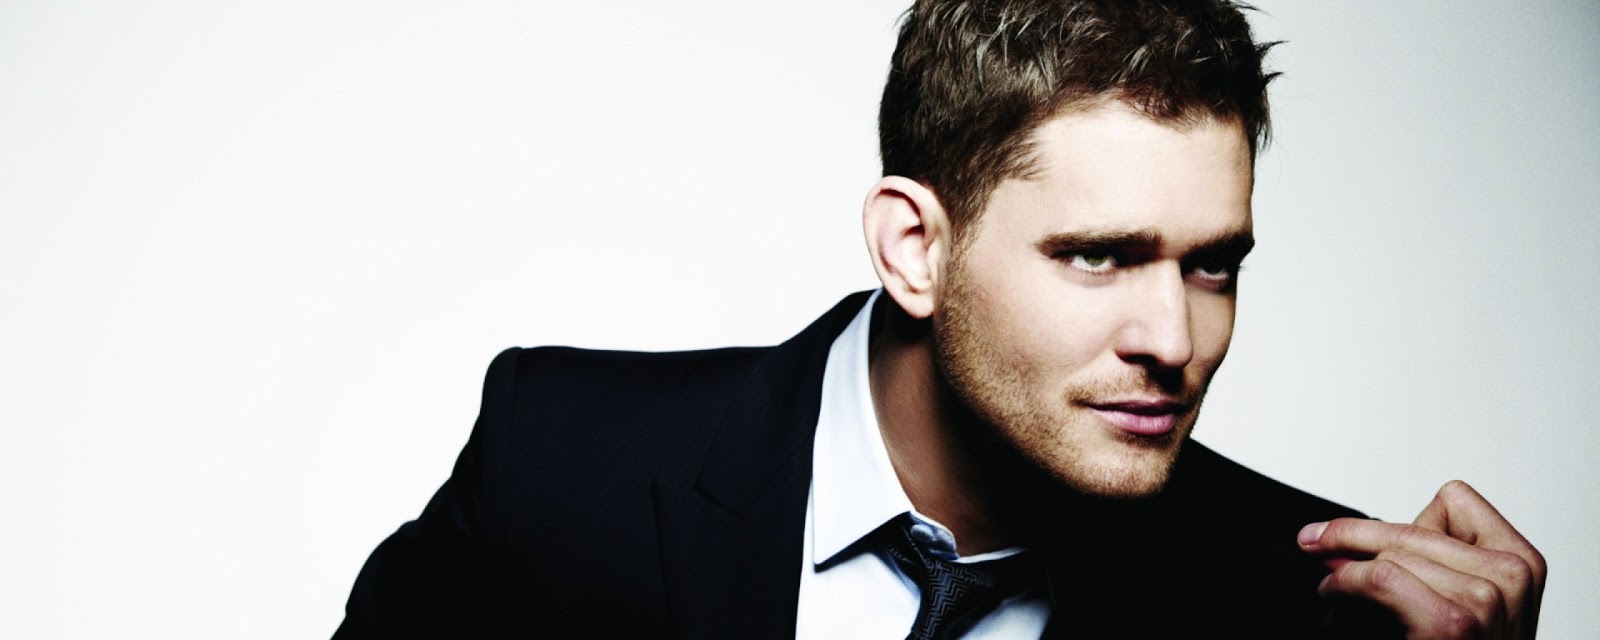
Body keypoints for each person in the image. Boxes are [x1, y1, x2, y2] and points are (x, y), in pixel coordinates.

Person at [335, 0, 1546, 637]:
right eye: (1098, 255)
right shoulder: (562, 459)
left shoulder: (1318, 603)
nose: (1174, 340)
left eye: (1213, 266)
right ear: (914, 246)